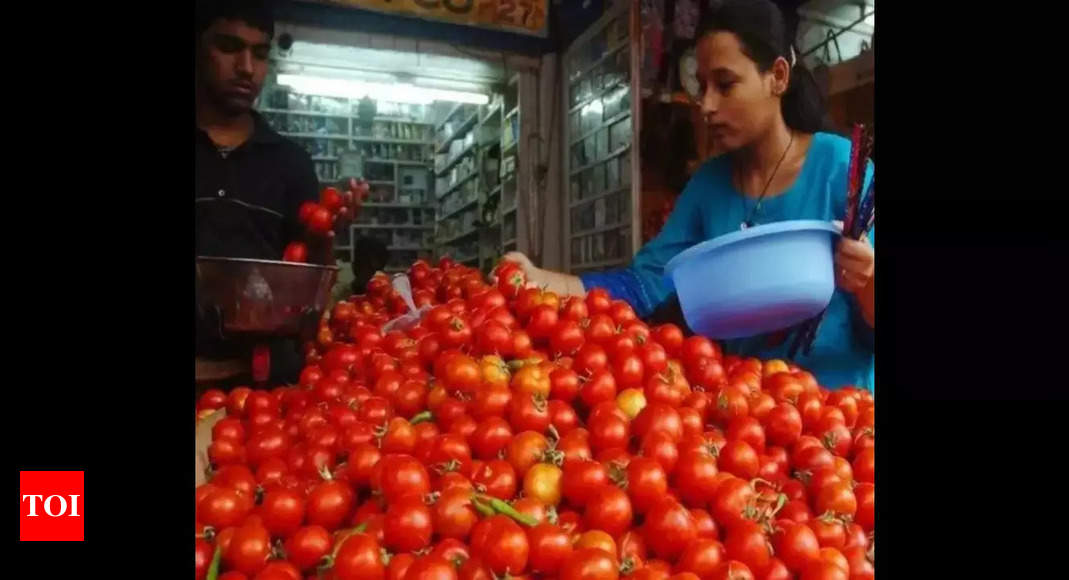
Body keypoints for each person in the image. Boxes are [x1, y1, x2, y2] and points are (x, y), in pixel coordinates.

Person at [504, 0, 874, 391]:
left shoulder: (842, 169)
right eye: (702, 87)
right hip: (747, 423)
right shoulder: (708, 185)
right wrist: (540, 280)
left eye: (725, 84)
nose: (707, 105)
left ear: (777, 76)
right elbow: (645, 285)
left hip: (838, 421)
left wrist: (867, 280)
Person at [194, 0, 330, 385]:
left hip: (262, 399)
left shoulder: (291, 164)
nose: (246, 69)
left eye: (259, 53)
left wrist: (323, 244)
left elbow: (306, 305)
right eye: (229, 47)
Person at [330, 237, 390, 303]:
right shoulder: (340, 294)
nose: (375, 276)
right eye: (369, 268)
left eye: (378, 269)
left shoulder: (386, 297)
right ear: (355, 267)